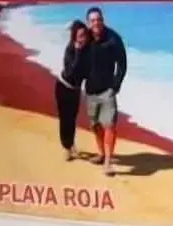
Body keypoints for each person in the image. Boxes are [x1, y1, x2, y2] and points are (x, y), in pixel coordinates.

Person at [84, 6, 127, 176]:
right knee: (95, 125)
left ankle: (108, 162)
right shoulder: (85, 37)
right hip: (90, 91)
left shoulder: (113, 38)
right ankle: (101, 154)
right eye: (93, 20)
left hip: (107, 91)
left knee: (109, 125)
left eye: (99, 19)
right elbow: (76, 55)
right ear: (88, 23)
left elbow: (122, 63)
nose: (96, 23)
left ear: (103, 20)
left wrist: (116, 85)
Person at [55, 21, 90, 161]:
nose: (83, 38)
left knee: (73, 119)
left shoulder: (87, 50)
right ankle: (66, 148)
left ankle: (71, 144)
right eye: (80, 36)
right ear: (74, 37)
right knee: (65, 119)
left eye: (84, 35)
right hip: (63, 87)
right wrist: (78, 52)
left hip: (75, 90)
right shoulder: (70, 50)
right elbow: (71, 72)